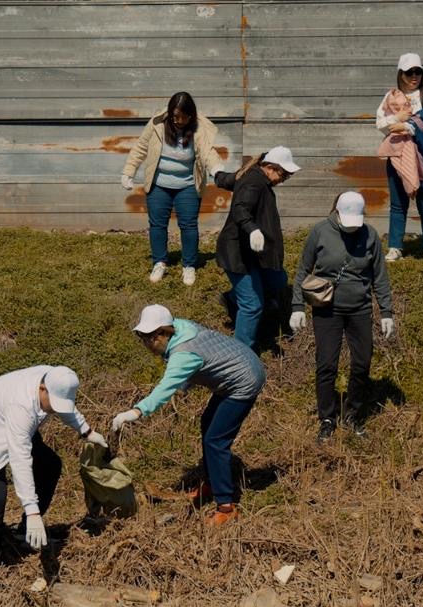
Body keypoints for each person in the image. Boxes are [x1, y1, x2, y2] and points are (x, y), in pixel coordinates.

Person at [112, 305, 265, 526]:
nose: (146, 342)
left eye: (150, 337)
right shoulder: (183, 326)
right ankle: (212, 483)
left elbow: (165, 388)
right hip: (239, 369)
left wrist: (136, 411)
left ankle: (226, 507)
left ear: (165, 332)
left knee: (216, 440)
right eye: (141, 336)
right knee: (208, 423)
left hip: (244, 381)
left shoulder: (183, 352)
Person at [0, 366, 107, 560]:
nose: (54, 409)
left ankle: (24, 532)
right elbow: (20, 461)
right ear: (43, 389)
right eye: (53, 403)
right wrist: (32, 509)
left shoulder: (55, 377)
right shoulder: (22, 407)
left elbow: (65, 405)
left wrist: (87, 432)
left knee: (50, 465)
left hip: (11, 425)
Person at [289, 191, 395, 442]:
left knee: (362, 363)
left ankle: (353, 415)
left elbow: (380, 276)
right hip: (327, 310)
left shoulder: (370, 235)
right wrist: (297, 306)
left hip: (360, 309)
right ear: (336, 212)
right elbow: (303, 269)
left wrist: (386, 312)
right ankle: (327, 418)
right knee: (327, 364)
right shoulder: (320, 231)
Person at [121, 91, 228, 286]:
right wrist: (129, 172)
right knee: (157, 225)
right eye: (175, 116)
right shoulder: (157, 124)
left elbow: (207, 152)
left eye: (184, 117)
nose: (179, 121)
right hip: (158, 184)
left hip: (187, 184)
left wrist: (216, 169)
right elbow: (140, 148)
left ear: (191, 115)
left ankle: (189, 265)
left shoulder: (198, 128)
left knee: (188, 225)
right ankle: (159, 262)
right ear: (169, 113)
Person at [215, 146, 299, 348]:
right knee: (252, 305)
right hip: (237, 253)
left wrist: (216, 174)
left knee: (278, 279)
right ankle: (240, 354)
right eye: (283, 174)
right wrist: (252, 229)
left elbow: (228, 180)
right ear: (270, 167)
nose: (284, 179)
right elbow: (240, 208)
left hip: (253, 253)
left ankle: (231, 298)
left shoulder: (253, 176)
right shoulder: (254, 182)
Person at [375, 52, 423, 263]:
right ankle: (395, 247)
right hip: (397, 154)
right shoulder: (391, 95)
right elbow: (380, 123)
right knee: (398, 204)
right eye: (409, 72)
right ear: (401, 74)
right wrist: (398, 118)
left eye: (418, 71)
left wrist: (403, 126)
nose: (414, 76)